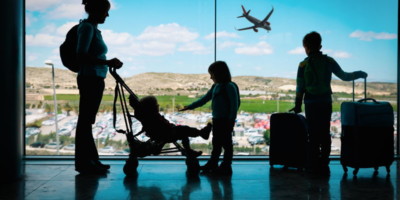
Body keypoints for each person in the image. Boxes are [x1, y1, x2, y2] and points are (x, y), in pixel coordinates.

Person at [290, 31, 367, 175]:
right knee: (324, 133)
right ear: (320, 45)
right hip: (325, 102)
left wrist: (297, 104)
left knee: (312, 134)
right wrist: (359, 73)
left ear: (306, 46)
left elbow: (300, 87)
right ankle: (324, 164)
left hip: (311, 103)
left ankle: (312, 165)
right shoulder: (329, 61)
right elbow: (345, 76)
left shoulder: (303, 64)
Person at [75, 0, 123, 174]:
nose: (107, 15)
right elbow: (81, 54)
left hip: (94, 78)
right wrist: (107, 62)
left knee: (87, 122)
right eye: (105, 11)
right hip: (90, 78)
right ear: (96, 11)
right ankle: (85, 163)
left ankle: (91, 160)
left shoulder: (92, 29)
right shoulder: (87, 28)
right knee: (85, 122)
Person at [180, 61, 240, 176]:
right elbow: (204, 99)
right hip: (217, 120)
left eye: (212, 74)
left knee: (226, 144)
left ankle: (225, 166)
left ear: (218, 74)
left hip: (225, 121)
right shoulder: (216, 86)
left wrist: (231, 121)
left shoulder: (229, 86)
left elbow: (234, 106)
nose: (211, 77)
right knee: (217, 144)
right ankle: (214, 164)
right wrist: (190, 107)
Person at [132, 96, 212, 157]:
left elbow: (138, 112)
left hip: (165, 133)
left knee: (184, 132)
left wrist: (135, 104)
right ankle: (201, 134)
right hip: (167, 134)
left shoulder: (148, 116)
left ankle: (189, 149)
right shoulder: (152, 117)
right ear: (152, 107)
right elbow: (162, 128)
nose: (158, 106)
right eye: (156, 105)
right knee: (185, 130)